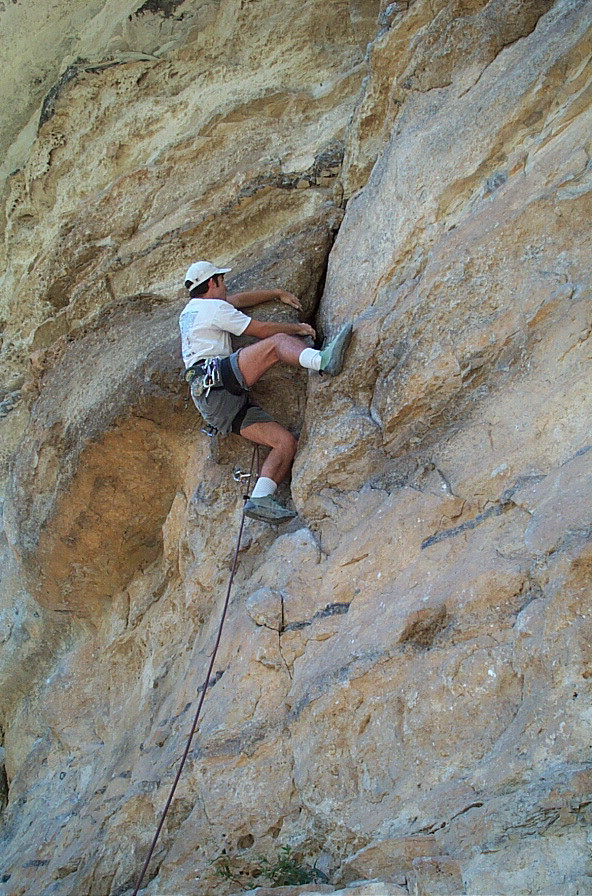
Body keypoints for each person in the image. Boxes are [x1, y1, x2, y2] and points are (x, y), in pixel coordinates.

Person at [180, 260, 352, 523]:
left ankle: (261, 498)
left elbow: (236, 299)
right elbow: (260, 330)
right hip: (218, 379)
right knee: (277, 345)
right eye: (222, 281)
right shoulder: (214, 308)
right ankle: (323, 362)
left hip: (211, 405)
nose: (226, 286)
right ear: (212, 282)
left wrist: (275, 293)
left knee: (284, 443)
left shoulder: (191, 312)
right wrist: (297, 329)